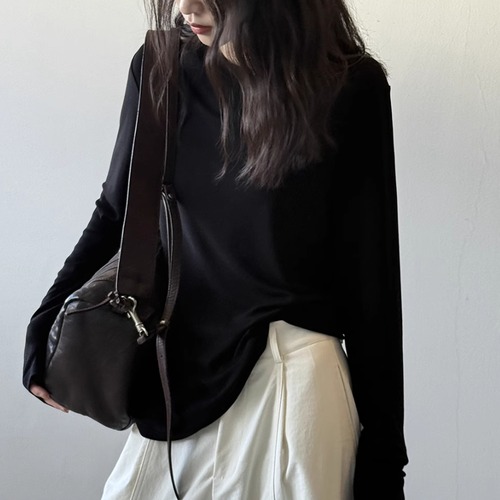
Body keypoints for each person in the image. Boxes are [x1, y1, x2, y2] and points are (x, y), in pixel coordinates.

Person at [23, 0, 409, 498]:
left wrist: (385, 459)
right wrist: (46, 324)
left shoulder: (350, 86)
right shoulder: (161, 69)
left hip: (291, 384)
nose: (187, 7)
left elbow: (372, 284)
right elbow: (117, 213)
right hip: (176, 382)